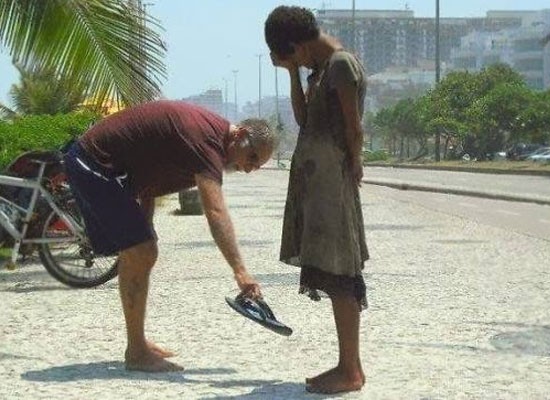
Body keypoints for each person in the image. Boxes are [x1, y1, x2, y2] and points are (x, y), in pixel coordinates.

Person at [63, 100, 276, 372]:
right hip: (92, 161)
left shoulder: (211, 139)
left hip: (109, 168)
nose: (249, 168)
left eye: (256, 166)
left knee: (142, 249)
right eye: (253, 157)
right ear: (241, 135)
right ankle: (137, 351)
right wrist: (241, 272)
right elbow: (215, 210)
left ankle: (137, 344)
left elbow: (149, 172)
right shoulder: (208, 142)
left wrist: (146, 221)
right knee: (141, 251)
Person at [265, 5, 369, 394]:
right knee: (332, 270)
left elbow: (353, 127)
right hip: (319, 183)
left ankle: (350, 370)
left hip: (333, 183)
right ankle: (348, 365)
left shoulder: (340, 64)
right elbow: (305, 121)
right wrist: (293, 72)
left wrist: (355, 164)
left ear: (296, 44)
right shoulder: (320, 69)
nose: (295, 62)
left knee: (341, 273)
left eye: (291, 56)